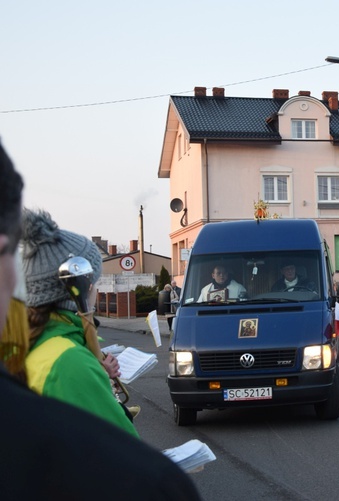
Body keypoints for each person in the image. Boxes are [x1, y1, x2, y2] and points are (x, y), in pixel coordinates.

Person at [0, 141, 202, 500]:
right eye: (92, 284)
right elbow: (119, 458)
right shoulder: (68, 360)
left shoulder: (36, 343)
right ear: (80, 287)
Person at [21, 209, 138, 437]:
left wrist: (97, 374)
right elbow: (123, 451)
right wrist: (90, 375)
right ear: (87, 287)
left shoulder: (29, 339)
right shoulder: (69, 361)